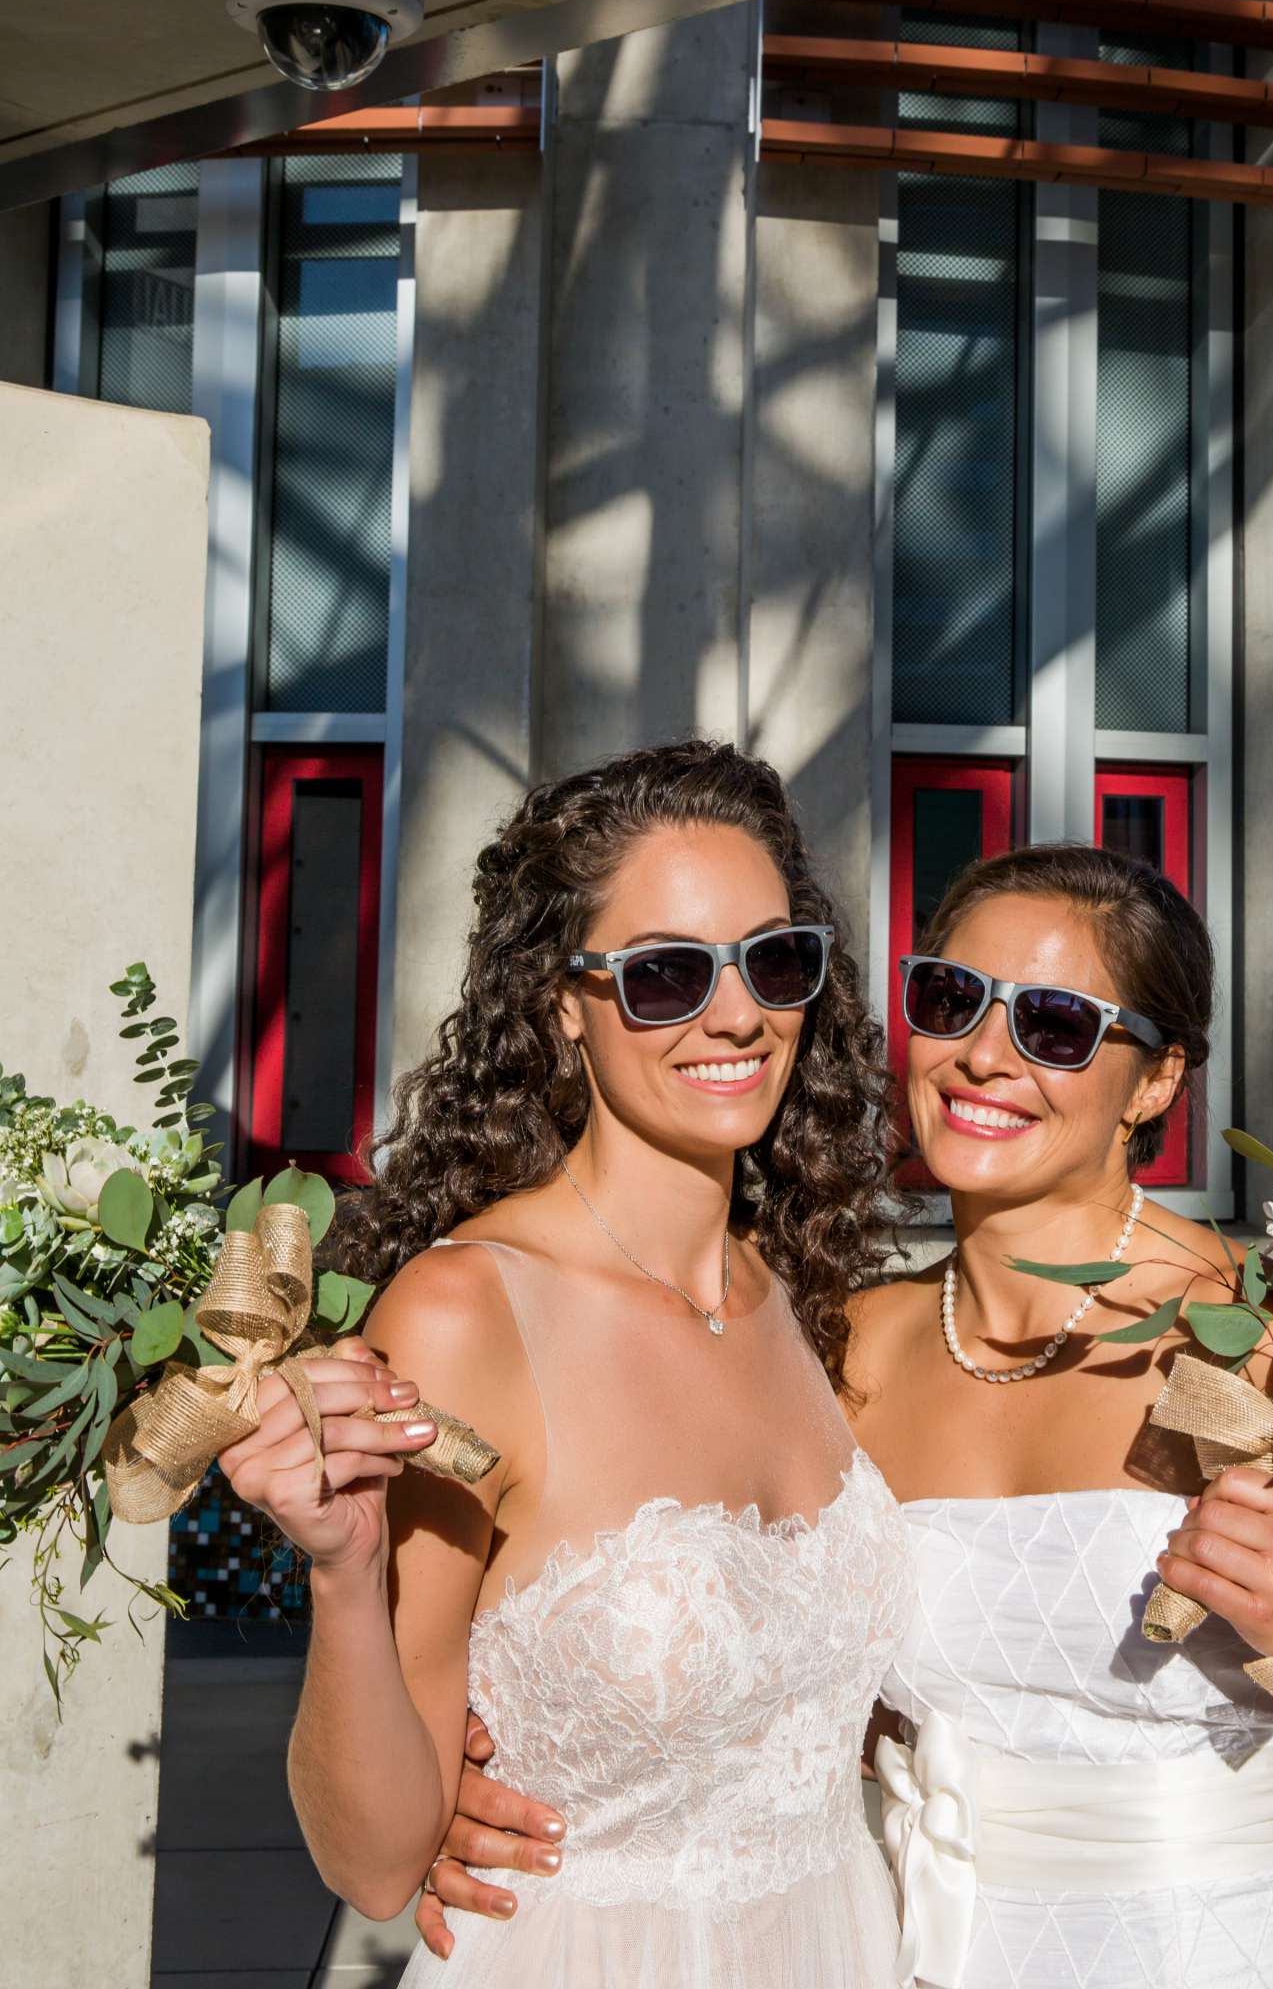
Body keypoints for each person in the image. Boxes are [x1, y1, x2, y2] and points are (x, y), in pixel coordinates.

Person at [422, 841, 1273, 1989]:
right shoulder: (838, 1348)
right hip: (925, 1951)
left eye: (1056, 1025)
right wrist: (507, 1781)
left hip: (1243, 1946)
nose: (984, 1057)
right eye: (952, 1000)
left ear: (1156, 1081)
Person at [218, 739, 915, 1989]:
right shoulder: (462, 1316)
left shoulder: (802, 1293)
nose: (737, 1014)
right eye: (663, 974)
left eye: (775, 960)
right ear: (560, 1003)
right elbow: (375, 1863)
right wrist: (345, 1570)